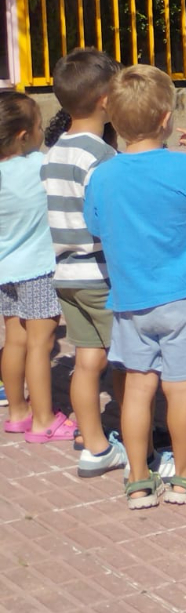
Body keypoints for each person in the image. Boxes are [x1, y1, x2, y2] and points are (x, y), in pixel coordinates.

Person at [83, 66, 186, 508]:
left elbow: (95, 225)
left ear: (114, 119)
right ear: (166, 118)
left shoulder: (102, 175)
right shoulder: (184, 166)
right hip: (182, 296)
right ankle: (185, 477)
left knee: (138, 387)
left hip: (130, 299)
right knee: (180, 388)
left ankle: (138, 480)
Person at [42, 49, 126, 475]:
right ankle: (136, 434)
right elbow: (109, 218)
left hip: (66, 275)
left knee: (87, 360)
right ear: (106, 100)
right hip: (100, 273)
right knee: (126, 360)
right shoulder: (100, 156)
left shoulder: (53, 152)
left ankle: (93, 444)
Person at [0, 91, 67, 443]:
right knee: (42, 344)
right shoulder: (40, 165)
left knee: (15, 341)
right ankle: (43, 419)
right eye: (40, 126)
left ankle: (17, 412)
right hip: (39, 268)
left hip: (5, 271)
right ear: (24, 135)